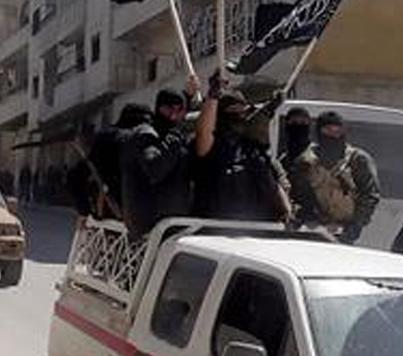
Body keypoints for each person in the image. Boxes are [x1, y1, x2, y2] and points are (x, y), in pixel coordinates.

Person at [193, 76, 291, 222]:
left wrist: (286, 210)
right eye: (233, 111)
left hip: (257, 230)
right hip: (216, 232)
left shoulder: (252, 149)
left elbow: (273, 183)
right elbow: (204, 132)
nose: (239, 116)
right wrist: (212, 96)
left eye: (243, 111)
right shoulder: (212, 147)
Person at [288, 111, 380, 244]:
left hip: (345, 230)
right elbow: (297, 194)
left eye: (337, 130)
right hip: (314, 229)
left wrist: (355, 226)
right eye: (328, 130)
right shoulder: (306, 161)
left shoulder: (357, 159)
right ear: (319, 132)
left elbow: (370, 195)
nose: (333, 135)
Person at [120, 79, 197, 236]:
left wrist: (188, 97)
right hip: (151, 225)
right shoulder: (145, 134)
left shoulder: (173, 134)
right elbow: (155, 169)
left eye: (178, 110)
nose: (174, 115)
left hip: (175, 221)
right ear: (158, 108)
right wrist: (176, 134)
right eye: (168, 109)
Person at [68, 104, 152, 223]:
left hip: (106, 219)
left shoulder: (104, 139)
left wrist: (84, 211)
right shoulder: (145, 140)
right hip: (140, 221)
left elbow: (75, 177)